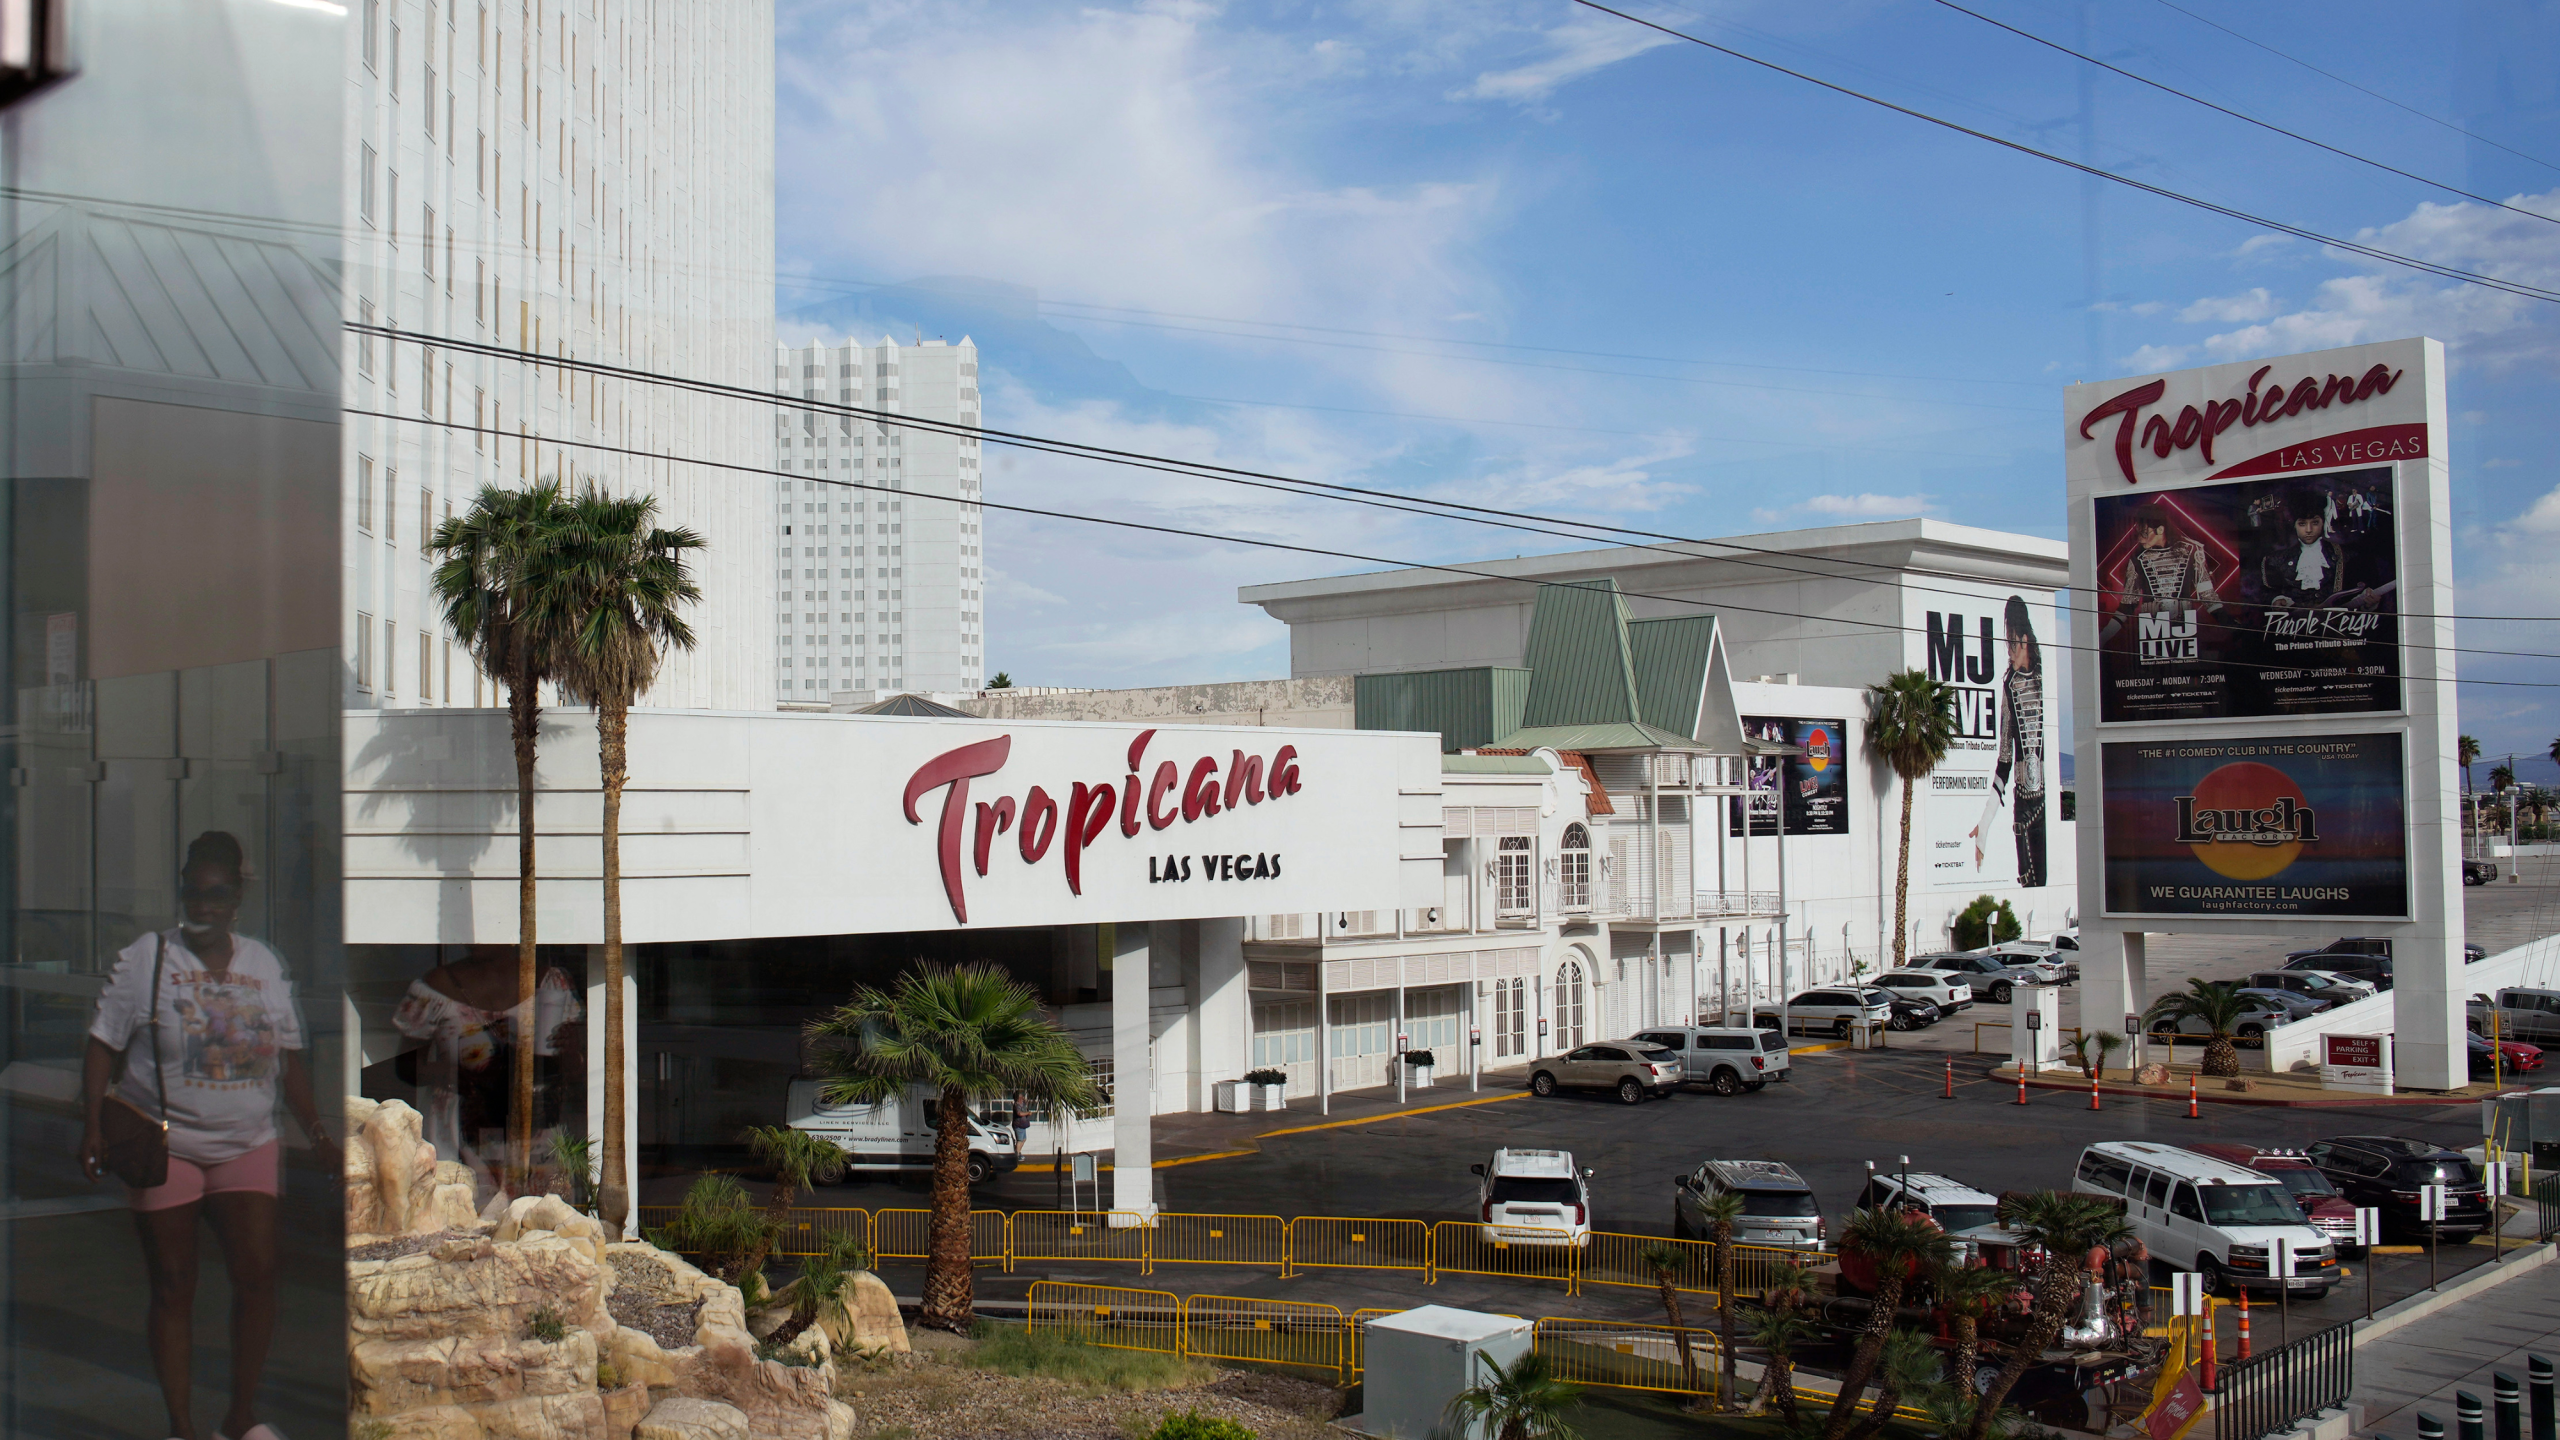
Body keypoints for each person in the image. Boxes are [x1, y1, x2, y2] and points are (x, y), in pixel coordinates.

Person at [80, 831, 336, 1440]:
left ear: (236, 896)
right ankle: (182, 1428)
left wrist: (318, 1131)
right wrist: (92, 1122)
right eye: (192, 893)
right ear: (182, 893)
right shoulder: (149, 957)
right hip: (167, 1147)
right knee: (173, 1285)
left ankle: (240, 1417)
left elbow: (288, 1059)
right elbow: (102, 1043)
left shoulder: (263, 964)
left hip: (248, 1145)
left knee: (257, 1276)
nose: (203, 904)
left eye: (216, 893)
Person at [391, 945, 583, 1197]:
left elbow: (578, 1074)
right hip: (462, 1134)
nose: (478, 935)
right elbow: (405, 1068)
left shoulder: (550, 983)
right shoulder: (435, 987)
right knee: (460, 1221)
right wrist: (456, 1074)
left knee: (535, 1225)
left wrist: (569, 1050)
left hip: (533, 1130)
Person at [1971, 597, 2048, 888]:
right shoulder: (2010, 686)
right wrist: (1985, 825)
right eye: (2008, 645)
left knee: (2040, 879)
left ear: (2026, 640)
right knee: (2030, 881)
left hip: (2042, 800)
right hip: (2024, 808)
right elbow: (2004, 756)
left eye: (2013, 644)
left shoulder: (2042, 676)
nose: (2010, 652)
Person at [2101, 504, 2227, 644]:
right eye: (2138, 534)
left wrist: (2231, 624)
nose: (2140, 539)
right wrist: (2101, 638)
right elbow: (2127, 605)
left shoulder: (2192, 549)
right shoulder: (2136, 558)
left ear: (2160, 529)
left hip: (2187, 629)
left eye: (2144, 533)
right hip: (2151, 632)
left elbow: (2207, 595)